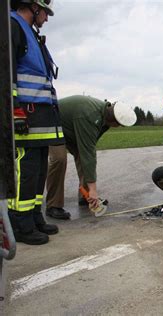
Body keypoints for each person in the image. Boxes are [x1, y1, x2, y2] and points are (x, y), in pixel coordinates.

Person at [8, 0, 63, 245]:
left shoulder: (32, 34)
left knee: (39, 167)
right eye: (46, 13)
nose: (47, 19)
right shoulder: (13, 27)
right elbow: (7, 72)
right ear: (34, 7)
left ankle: (33, 216)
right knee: (26, 169)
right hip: (24, 115)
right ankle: (19, 223)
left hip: (40, 115)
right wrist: (15, 109)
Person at [45, 96, 137, 218]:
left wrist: (90, 191)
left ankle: (86, 196)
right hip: (52, 123)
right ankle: (53, 205)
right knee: (59, 159)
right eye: (119, 125)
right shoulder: (89, 115)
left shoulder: (105, 119)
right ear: (114, 120)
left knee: (84, 158)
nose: (119, 127)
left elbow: (89, 149)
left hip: (70, 129)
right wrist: (94, 189)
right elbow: (88, 153)